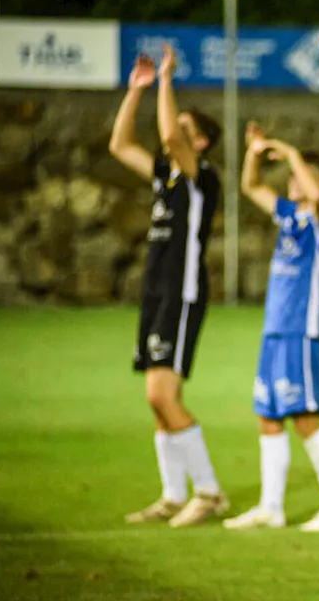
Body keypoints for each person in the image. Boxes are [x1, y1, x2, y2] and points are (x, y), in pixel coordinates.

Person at [110, 46, 228, 528]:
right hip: (156, 290)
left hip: (181, 291)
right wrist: (135, 91)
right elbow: (120, 145)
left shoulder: (202, 179)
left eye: (184, 130)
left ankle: (209, 492)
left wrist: (165, 80)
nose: (172, 135)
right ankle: (173, 494)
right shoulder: (166, 177)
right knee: (155, 399)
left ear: (198, 143)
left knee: (164, 396)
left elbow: (163, 133)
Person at [220, 124, 319, 531]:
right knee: (269, 416)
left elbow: (317, 198)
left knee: (305, 418)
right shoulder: (290, 217)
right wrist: (255, 152)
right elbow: (251, 186)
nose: (293, 182)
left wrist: (292, 151)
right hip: (274, 331)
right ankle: (270, 508)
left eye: (299, 175)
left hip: (301, 332)